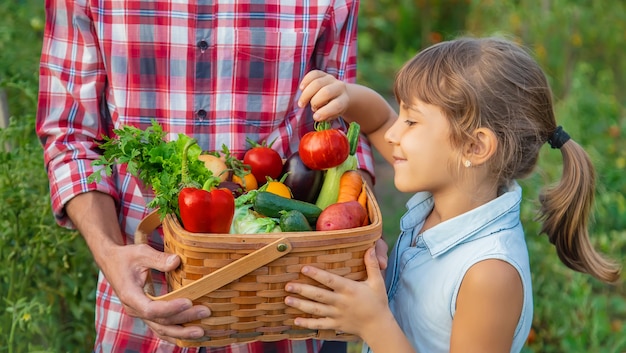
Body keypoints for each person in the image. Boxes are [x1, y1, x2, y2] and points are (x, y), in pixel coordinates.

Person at [36, 0, 385, 352]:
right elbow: (70, 135)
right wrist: (110, 252)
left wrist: (357, 228)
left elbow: (342, 124)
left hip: (287, 299)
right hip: (145, 298)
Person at [284, 37, 622, 353]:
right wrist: (346, 95)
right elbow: (378, 122)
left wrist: (373, 325)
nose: (393, 134)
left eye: (411, 122)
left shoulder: (489, 274)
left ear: (475, 147)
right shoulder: (453, 194)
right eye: (400, 115)